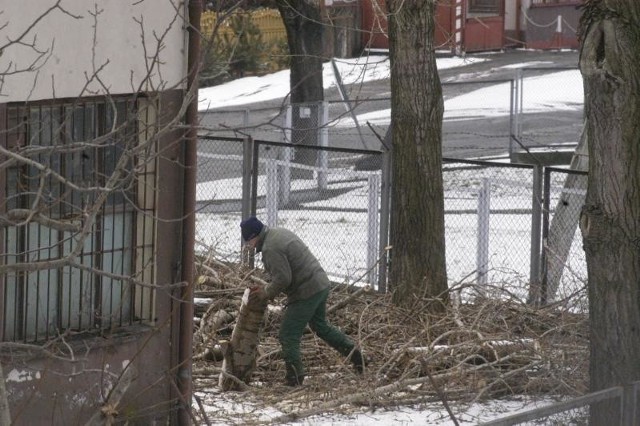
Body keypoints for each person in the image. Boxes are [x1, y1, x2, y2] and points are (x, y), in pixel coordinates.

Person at [240, 216, 365, 386]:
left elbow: (284, 278)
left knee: (287, 334)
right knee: (320, 326)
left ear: (253, 236)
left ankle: (295, 377)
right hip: (320, 283)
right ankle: (356, 356)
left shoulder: (270, 248)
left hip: (307, 291)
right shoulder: (277, 233)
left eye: (248, 241)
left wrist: (266, 292)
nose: (249, 245)